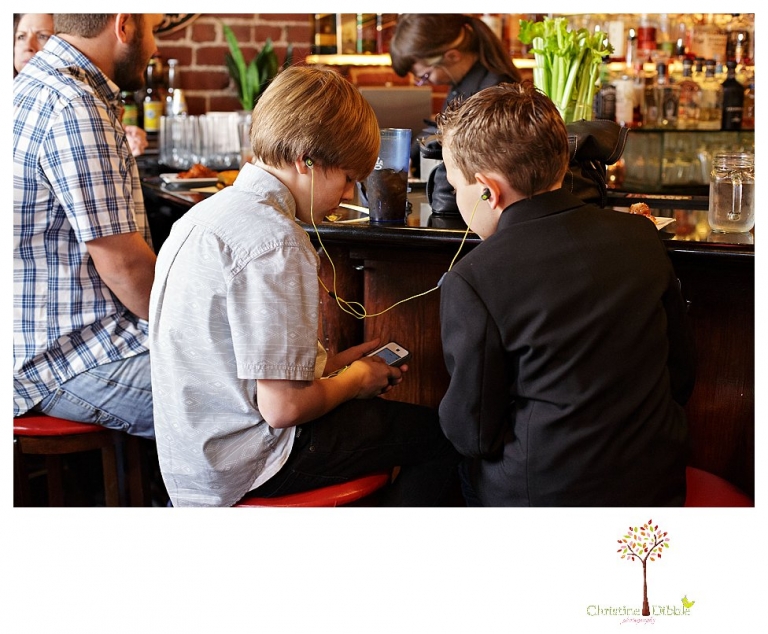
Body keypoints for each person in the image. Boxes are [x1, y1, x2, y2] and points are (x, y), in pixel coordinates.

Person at [149, 66, 461, 507]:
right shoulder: (276, 239)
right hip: (246, 463)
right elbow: (283, 410)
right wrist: (354, 380)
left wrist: (330, 364)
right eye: (349, 178)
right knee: (440, 438)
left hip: (188, 458)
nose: (350, 192)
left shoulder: (200, 217)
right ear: (307, 161)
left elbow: (234, 367)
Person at [435, 82, 696, 506]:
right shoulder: (640, 236)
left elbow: (473, 433)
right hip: (656, 483)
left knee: (445, 475)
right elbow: (681, 373)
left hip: (546, 496)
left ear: (488, 190)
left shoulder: (474, 277)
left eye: (454, 183)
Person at [13, 14, 164, 439]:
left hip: (43, 345)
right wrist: (199, 332)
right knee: (251, 399)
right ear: (124, 26)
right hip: (64, 360)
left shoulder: (34, 85)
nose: (153, 49)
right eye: (153, 30)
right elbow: (125, 268)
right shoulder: (74, 104)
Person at [13, 13, 148, 157]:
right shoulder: (74, 103)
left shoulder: (66, 102)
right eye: (21, 36)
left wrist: (114, 139)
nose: (28, 46)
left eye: (42, 36)